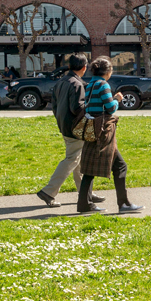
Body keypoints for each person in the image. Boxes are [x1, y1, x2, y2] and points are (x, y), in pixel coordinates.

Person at [37, 53, 104, 208]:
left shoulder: (62, 81)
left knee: (79, 161)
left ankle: (85, 193)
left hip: (65, 125)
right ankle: (48, 191)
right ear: (84, 67)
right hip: (76, 128)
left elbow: (54, 106)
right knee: (72, 160)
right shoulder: (77, 84)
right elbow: (77, 108)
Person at [77, 57, 143, 214]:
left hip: (92, 129)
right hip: (104, 130)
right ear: (107, 72)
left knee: (89, 169)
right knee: (120, 166)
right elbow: (110, 108)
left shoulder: (90, 85)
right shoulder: (103, 85)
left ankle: (84, 204)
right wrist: (117, 99)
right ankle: (123, 204)